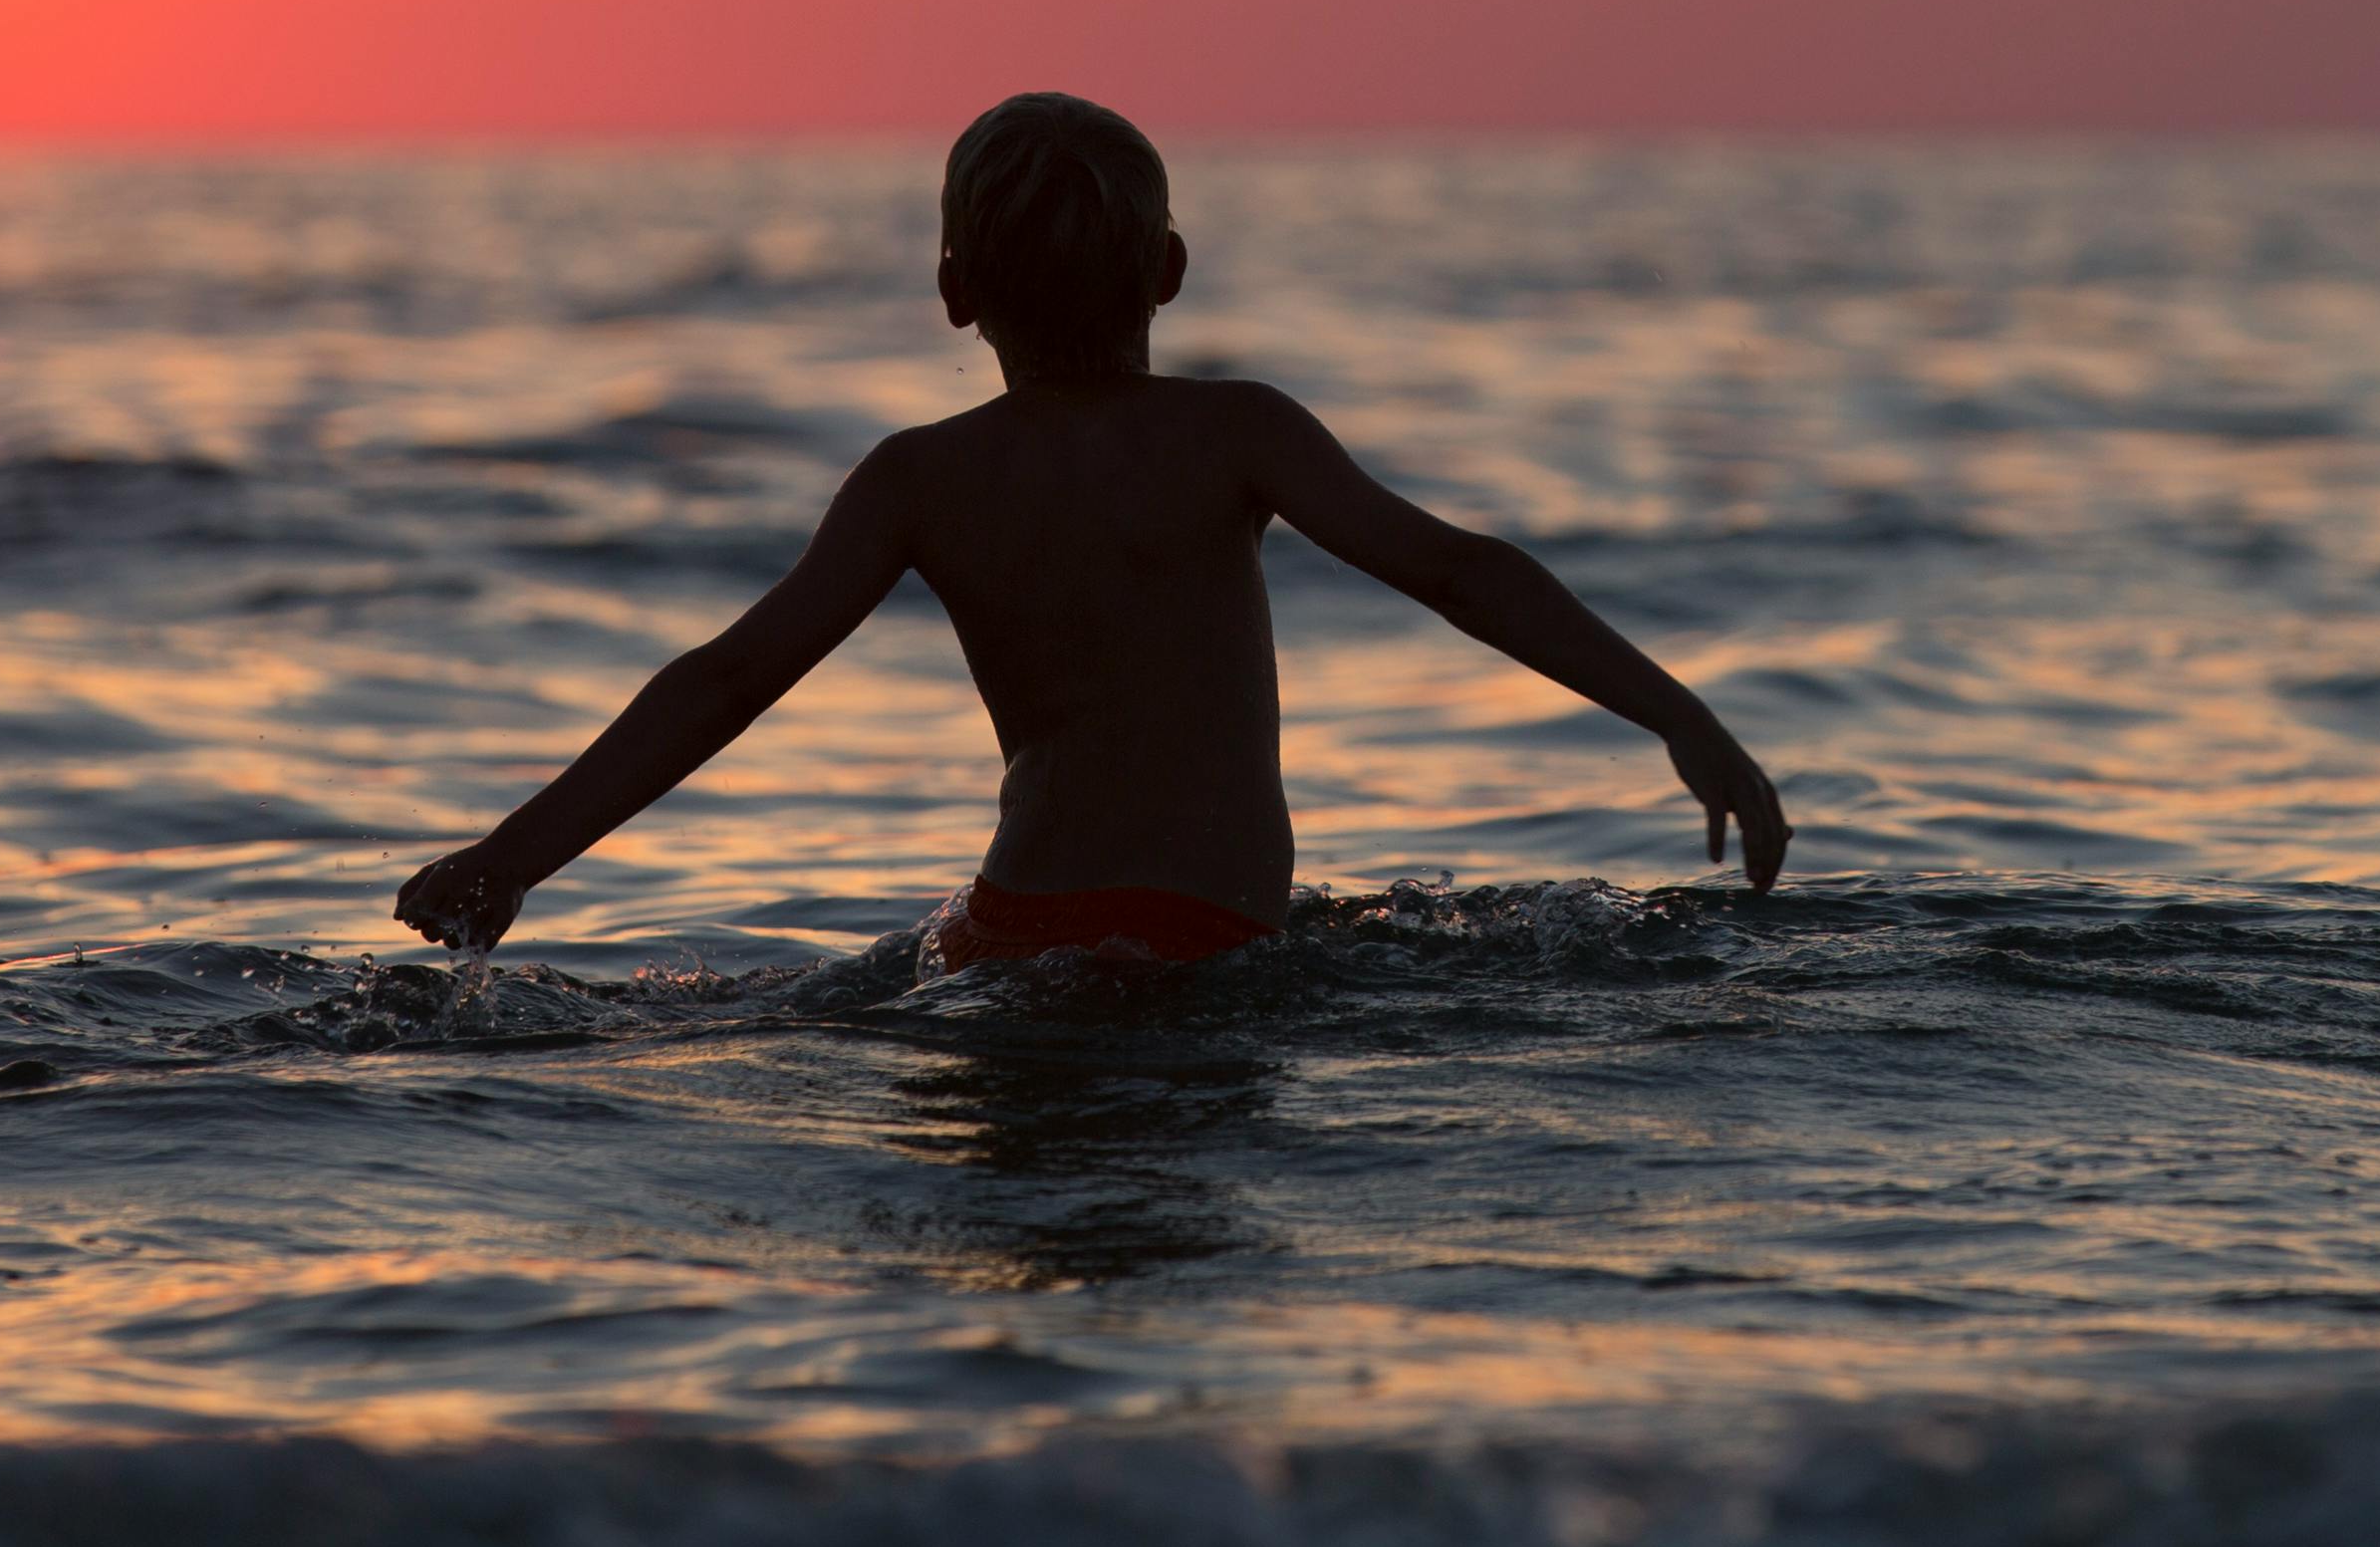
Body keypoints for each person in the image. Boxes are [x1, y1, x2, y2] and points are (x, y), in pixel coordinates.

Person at [396, 93, 1790, 971]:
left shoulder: (918, 477)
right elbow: (1458, 570)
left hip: (1008, 935)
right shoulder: (1238, 432)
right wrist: (1680, 718)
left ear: (954, 293)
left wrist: (508, 861)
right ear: (1169, 272)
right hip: (1211, 940)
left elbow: (725, 680)